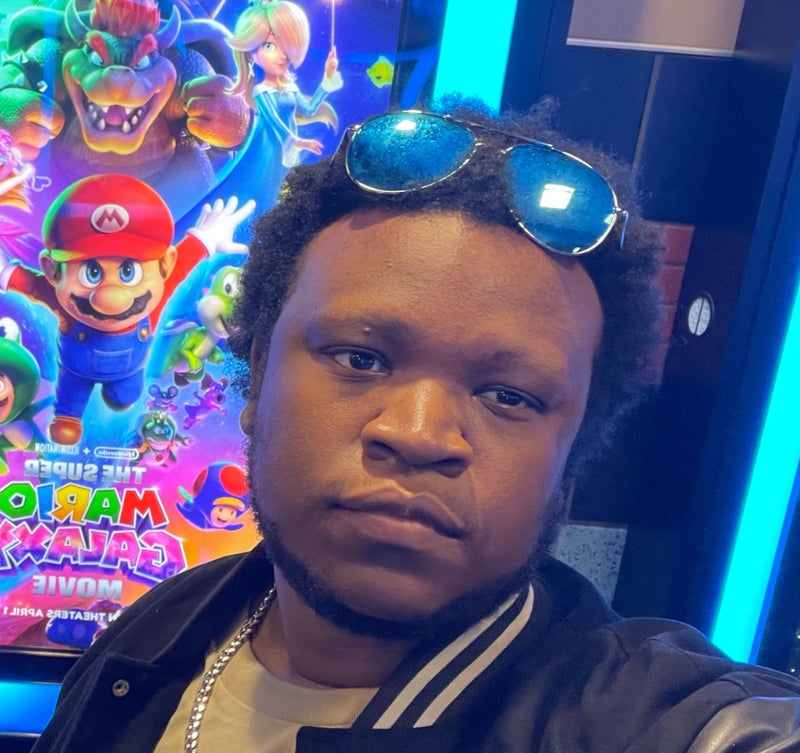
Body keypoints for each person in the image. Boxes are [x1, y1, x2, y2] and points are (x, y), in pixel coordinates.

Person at [31, 104, 800, 753]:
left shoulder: (637, 719)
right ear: (258, 374)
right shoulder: (156, 634)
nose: (420, 433)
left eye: (508, 395)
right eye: (360, 358)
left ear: (570, 461)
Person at [226, 0, 342, 209]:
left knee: (286, 194)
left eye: (286, 47)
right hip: (268, 150)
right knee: (265, 193)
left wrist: (327, 78)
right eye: (269, 45)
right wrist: (297, 141)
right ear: (250, 51)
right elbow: (274, 121)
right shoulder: (261, 91)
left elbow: (309, 109)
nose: (282, 56)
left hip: (288, 150)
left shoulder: (290, 88)